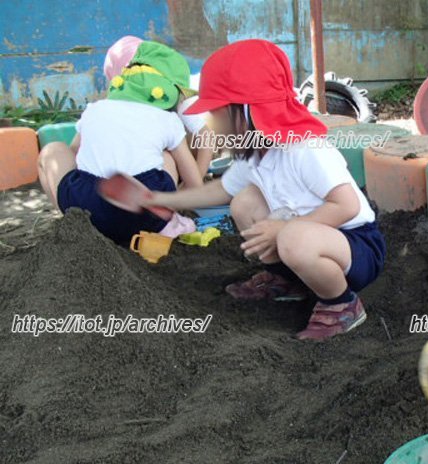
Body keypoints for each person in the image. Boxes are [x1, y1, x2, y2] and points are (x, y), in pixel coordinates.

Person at [145, 39, 386, 340]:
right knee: (244, 202)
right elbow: (220, 191)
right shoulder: (255, 154)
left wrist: (282, 229)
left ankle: (342, 304)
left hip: (354, 247)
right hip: (307, 240)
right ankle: (289, 281)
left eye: (217, 113)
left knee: (292, 238)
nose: (210, 122)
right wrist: (160, 198)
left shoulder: (305, 149)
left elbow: (346, 206)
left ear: (248, 112)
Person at [38, 41, 203, 245]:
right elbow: (195, 183)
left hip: (88, 206)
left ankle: (74, 224)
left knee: (53, 151)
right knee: (166, 157)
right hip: (146, 211)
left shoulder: (95, 109)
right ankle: (166, 220)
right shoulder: (169, 121)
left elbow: (73, 157)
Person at [104, 35, 213, 177]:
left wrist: (196, 178)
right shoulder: (116, 107)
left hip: (176, 162)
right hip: (134, 166)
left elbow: (207, 137)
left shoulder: (175, 98)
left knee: (166, 157)